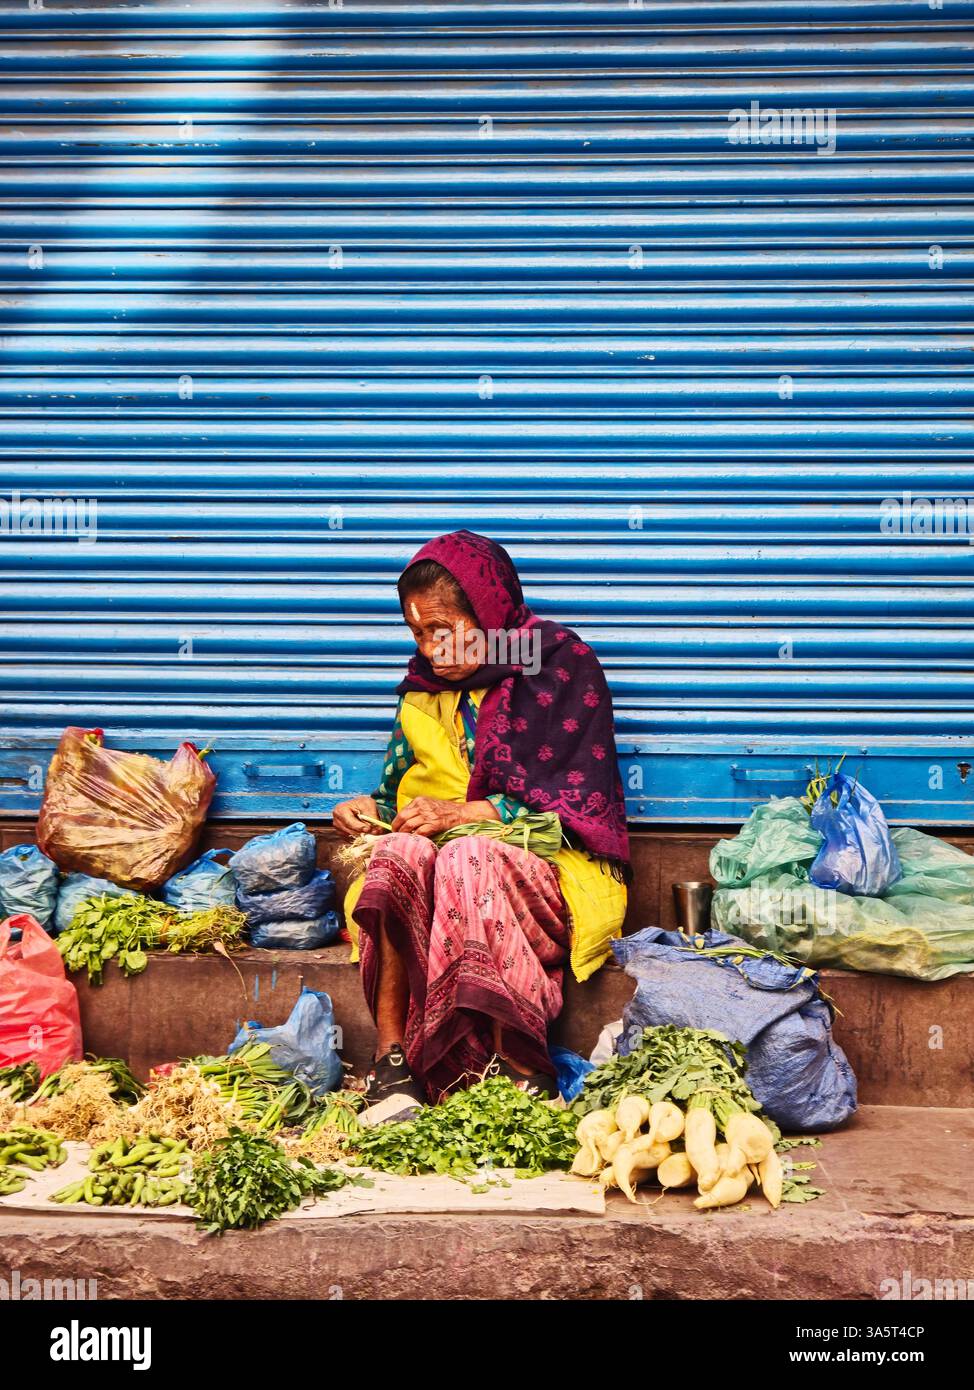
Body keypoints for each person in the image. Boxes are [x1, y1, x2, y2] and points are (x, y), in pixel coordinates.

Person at [333, 530, 629, 1105]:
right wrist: (369, 810)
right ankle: (391, 1062)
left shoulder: (559, 666)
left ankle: (521, 1066)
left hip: (550, 870)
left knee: (471, 855)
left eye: (444, 631)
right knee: (398, 853)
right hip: (442, 878)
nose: (431, 651)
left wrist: (470, 813)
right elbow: (397, 795)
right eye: (417, 634)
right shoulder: (420, 692)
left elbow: (580, 801)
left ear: (489, 615)